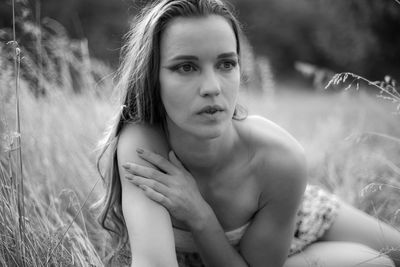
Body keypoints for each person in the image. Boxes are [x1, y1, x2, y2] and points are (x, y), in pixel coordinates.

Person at [96, 0, 400, 266]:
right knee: (375, 264)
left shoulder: (280, 156)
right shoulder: (142, 145)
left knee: (394, 253)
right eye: (186, 67)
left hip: (298, 215)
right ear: (152, 77)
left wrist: (199, 214)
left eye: (226, 63)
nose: (213, 88)